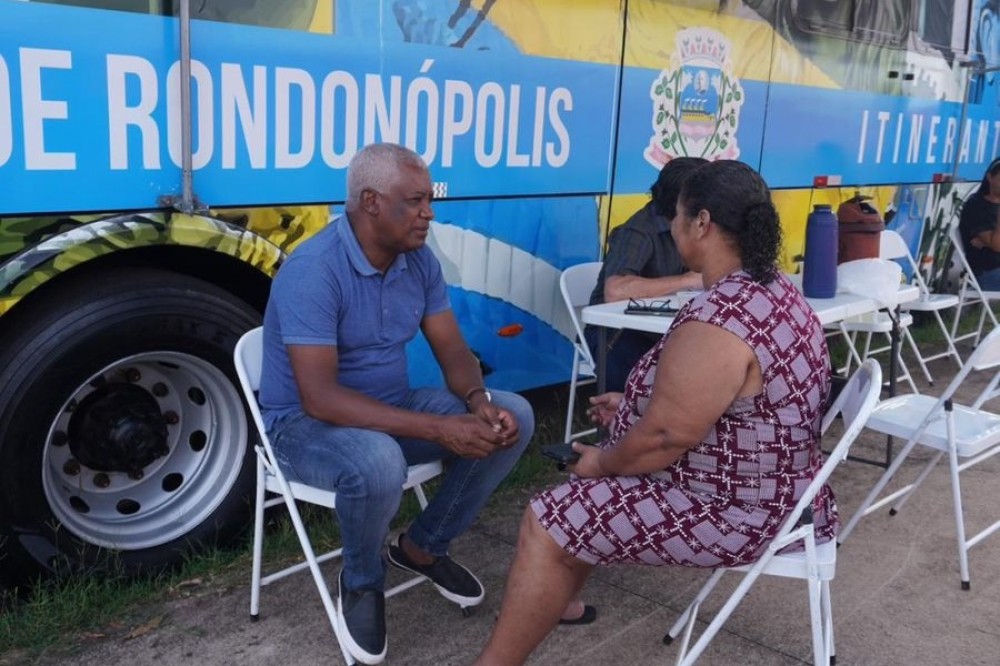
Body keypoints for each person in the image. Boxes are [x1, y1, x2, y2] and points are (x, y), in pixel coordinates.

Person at [474, 160, 833, 665]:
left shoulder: (720, 317)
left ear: (702, 223)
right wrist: (634, 405)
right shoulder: (776, 288)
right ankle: (557, 598)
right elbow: (739, 405)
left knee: (547, 517)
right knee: (581, 497)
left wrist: (604, 460)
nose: (671, 225)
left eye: (679, 215)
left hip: (741, 512)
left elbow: (664, 438)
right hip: (789, 493)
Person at [259, 143, 534, 665]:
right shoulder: (314, 270)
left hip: (389, 406)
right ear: (371, 202)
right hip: (302, 426)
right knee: (377, 461)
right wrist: (438, 429)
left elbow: (453, 350)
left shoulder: (418, 261)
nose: (429, 212)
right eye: (415, 201)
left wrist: (477, 401)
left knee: (511, 416)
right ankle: (362, 581)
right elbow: (319, 399)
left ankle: (421, 549)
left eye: (429, 199)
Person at [585, 156, 707, 392]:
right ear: (682, 201)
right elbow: (615, 290)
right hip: (615, 336)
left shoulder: (691, 228)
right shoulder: (640, 230)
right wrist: (687, 280)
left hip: (658, 329)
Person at [959, 157, 1000, 290]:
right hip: (986, 272)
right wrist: (992, 243)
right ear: (990, 177)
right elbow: (997, 245)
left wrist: (990, 242)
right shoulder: (977, 206)